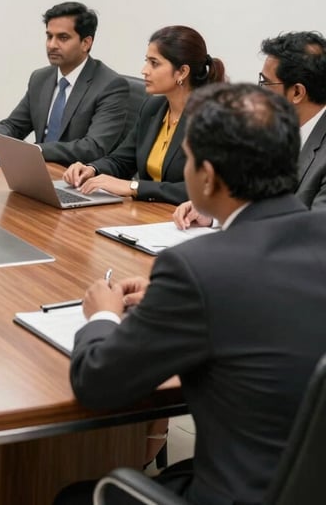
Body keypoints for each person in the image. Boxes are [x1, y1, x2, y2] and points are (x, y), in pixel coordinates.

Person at [53, 82, 326, 505]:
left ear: (208, 176)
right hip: (301, 479)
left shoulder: (197, 269)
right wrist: (171, 302)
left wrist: (103, 316)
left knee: (74, 496)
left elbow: (97, 383)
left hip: (244, 492)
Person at [175, 30, 326, 228]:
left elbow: (316, 234)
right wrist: (215, 213)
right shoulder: (274, 130)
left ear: (297, 92)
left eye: (266, 82)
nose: (260, 92)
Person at [64, 26, 225, 205]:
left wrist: (135, 187)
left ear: (182, 72)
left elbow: (204, 188)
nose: (144, 70)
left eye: (154, 63)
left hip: (185, 220)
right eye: (146, 61)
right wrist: (91, 169)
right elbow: (122, 160)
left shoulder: (212, 119)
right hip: (147, 214)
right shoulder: (153, 107)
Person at [0, 1, 129, 165]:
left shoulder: (111, 85)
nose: (52, 45)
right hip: (39, 169)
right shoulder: (40, 78)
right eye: (49, 36)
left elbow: (93, 147)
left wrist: (37, 150)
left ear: (86, 43)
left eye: (63, 38)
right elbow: (15, 125)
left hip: (79, 179)